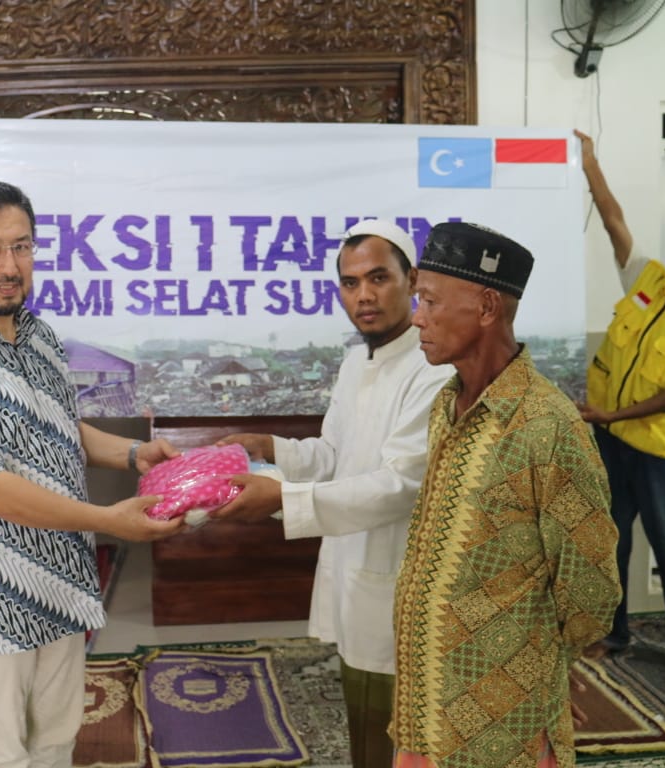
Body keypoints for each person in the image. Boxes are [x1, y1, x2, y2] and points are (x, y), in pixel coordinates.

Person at [0, 180, 185, 768]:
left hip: (63, 575)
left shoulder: (40, 336)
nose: (10, 266)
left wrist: (133, 456)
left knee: (56, 736)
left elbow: (60, 430)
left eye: (22, 247)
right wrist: (107, 519)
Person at [210, 218, 452, 768]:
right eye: (349, 283)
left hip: (399, 574)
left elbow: (401, 485)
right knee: (364, 720)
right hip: (353, 564)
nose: (363, 296)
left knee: (402, 733)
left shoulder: (433, 367)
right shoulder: (355, 360)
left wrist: (282, 502)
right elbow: (334, 456)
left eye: (377, 278)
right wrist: (268, 445)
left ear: (411, 279)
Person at [392, 222, 620, 768]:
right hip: (425, 701)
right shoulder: (448, 406)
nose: (417, 317)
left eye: (428, 300)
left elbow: (590, 587)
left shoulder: (549, 427)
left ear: (488, 307)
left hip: (499, 725)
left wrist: (542, 667)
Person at [575, 130, 665, 683]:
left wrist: (608, 417)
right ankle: (614, 633)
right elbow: (613, 220)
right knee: (608, 542)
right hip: (611, 445)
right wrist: (590, 163)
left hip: (658, 453)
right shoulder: (648, 279)